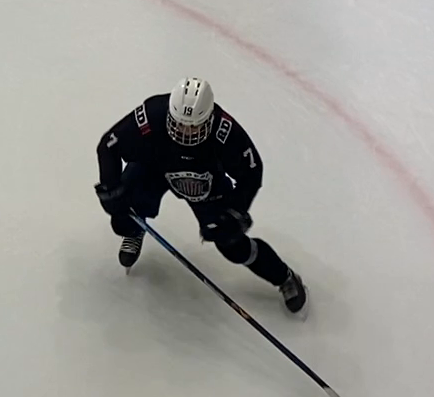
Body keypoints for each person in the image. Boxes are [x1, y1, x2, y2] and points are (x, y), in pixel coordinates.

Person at [94, 78, 308, 314]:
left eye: (193, 126)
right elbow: (109, 145)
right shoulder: (152, 114)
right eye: (179, 124)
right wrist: (112, 188)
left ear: (209, 118)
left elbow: (252, 172)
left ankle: (284, 276)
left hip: (205, 181)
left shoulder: (225, 131)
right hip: (154, 167)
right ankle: (136, 228)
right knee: (123, 218)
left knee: (231, 244)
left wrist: (235, 212)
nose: (185, 132)